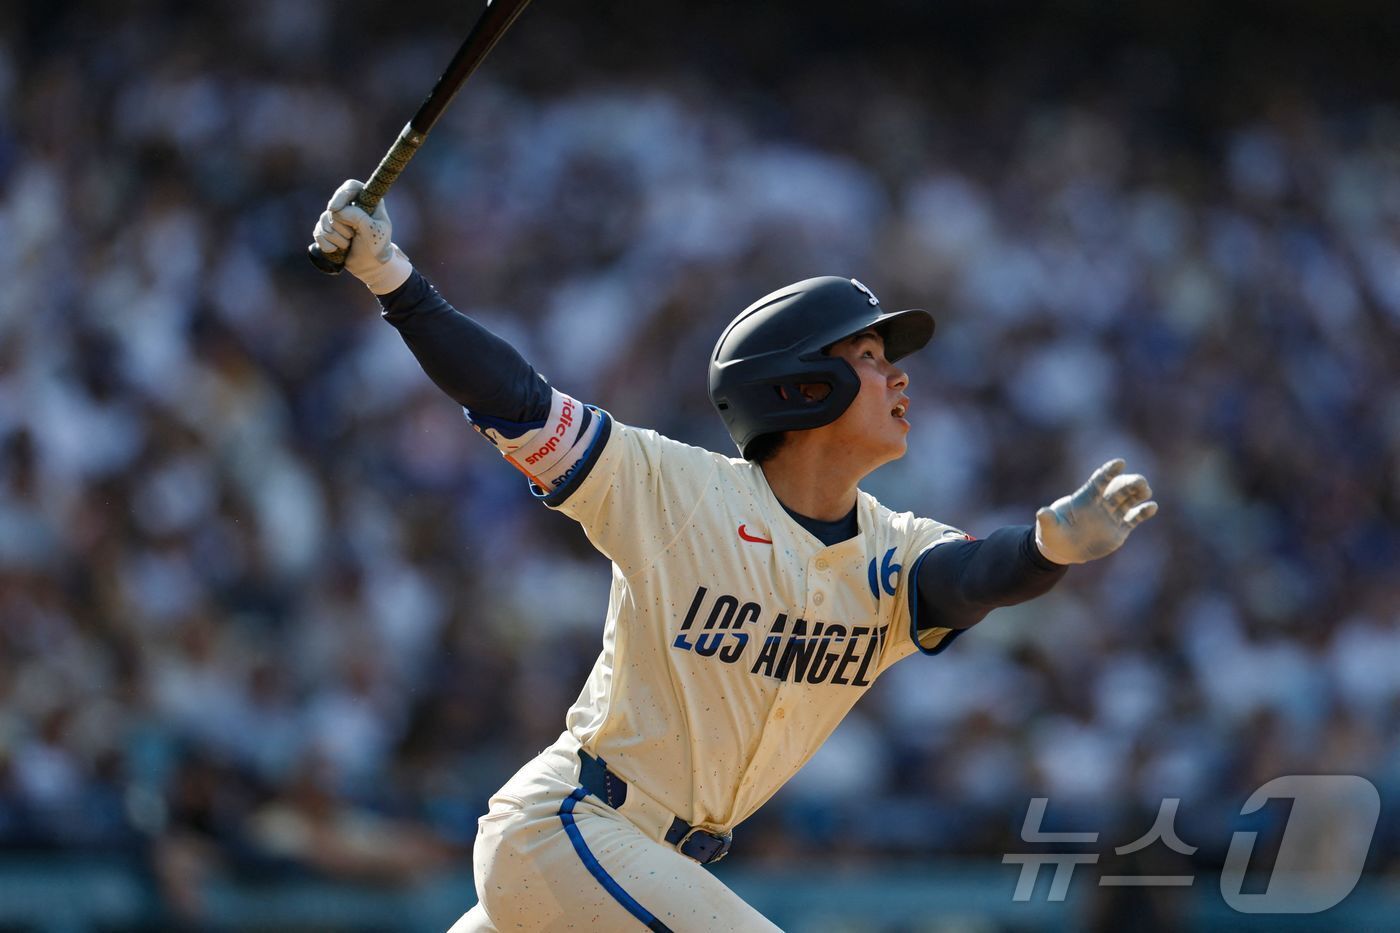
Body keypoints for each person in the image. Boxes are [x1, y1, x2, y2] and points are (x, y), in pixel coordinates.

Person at [312, 179, 1158, 932]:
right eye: (868, 357)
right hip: (577, 829)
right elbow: (517, 402)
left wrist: (1050, 545)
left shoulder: (894, 549)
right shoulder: (681, 492)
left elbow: (973, 575)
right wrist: (394, 280)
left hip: (636, 872)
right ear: (800, 386)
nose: (898, 378)